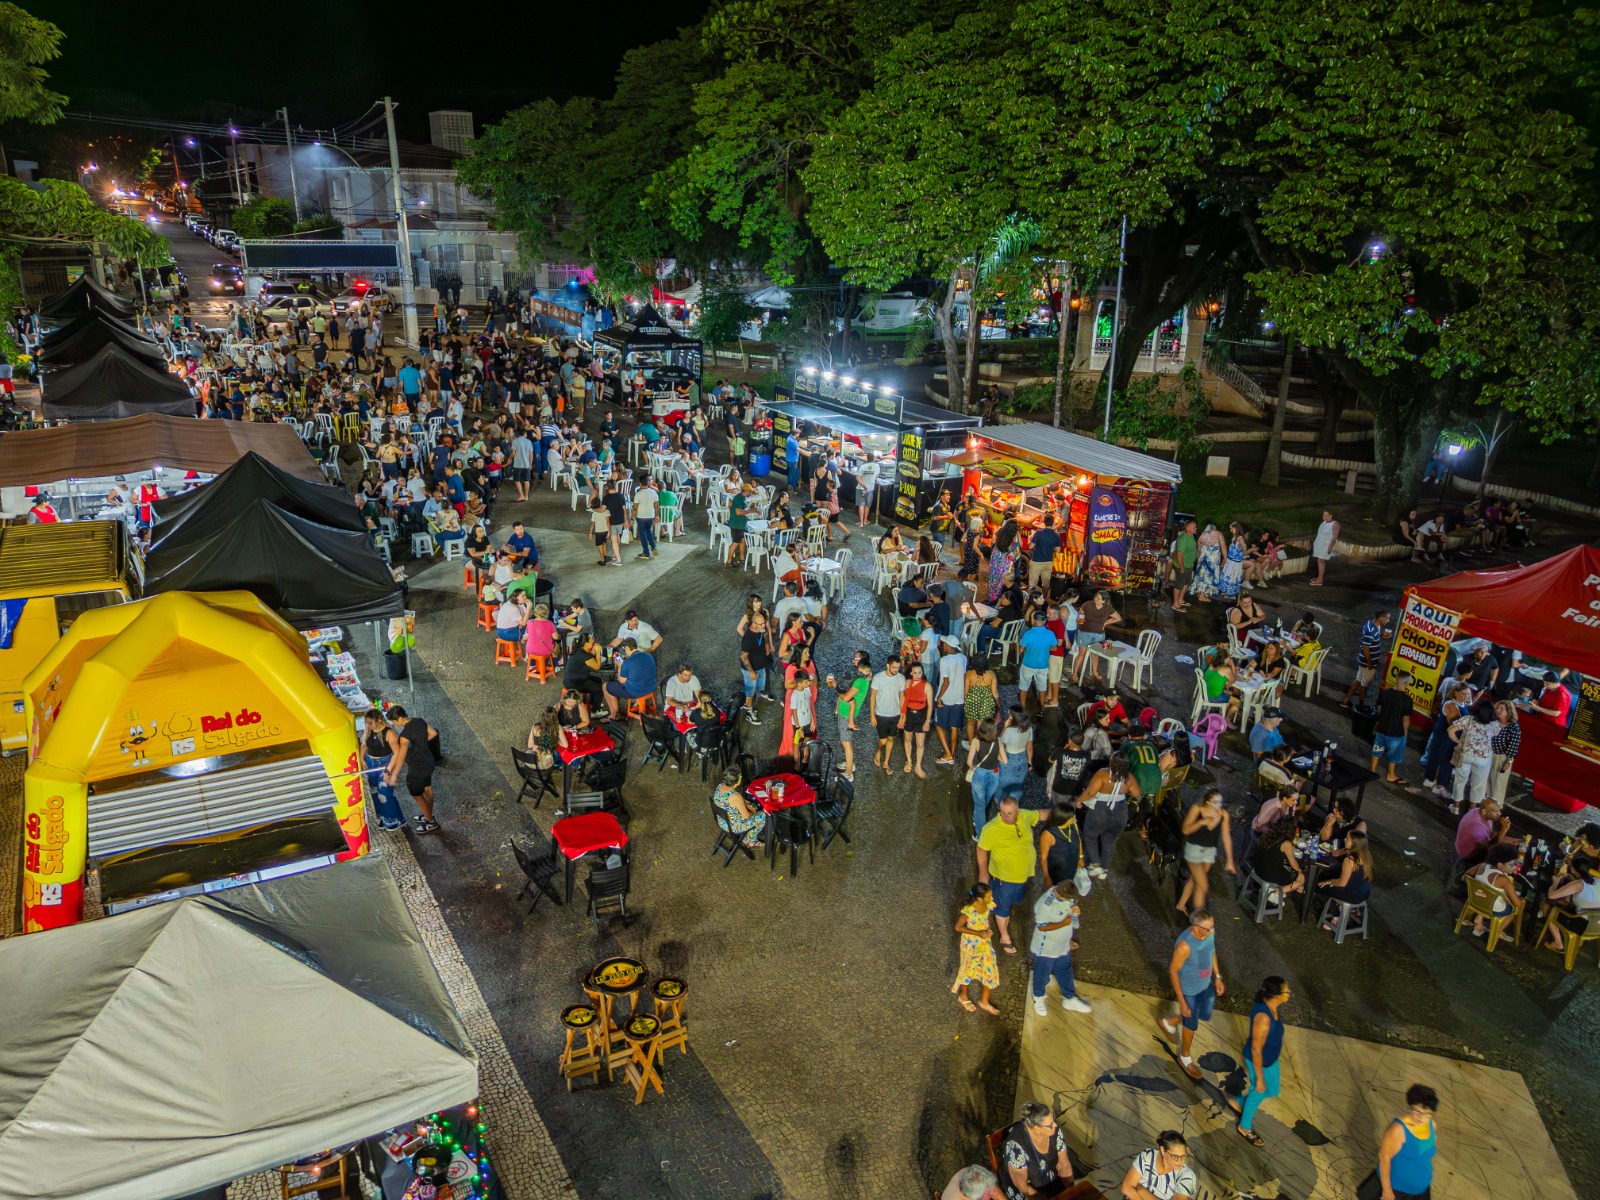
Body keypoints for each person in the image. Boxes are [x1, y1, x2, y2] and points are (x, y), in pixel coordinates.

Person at [1158, 911, 1224, 1081]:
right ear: (1196, 928)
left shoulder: (1209, 933)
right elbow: (1173, 970)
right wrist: (1182, 1001)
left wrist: (1218, 977)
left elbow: (1212, 951)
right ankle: (1185, 1057)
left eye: (1212, 927)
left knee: (1203, 1013)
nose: (1212, 931)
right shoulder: (1184, 946)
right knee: (1191, 1024)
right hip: (1189, 991)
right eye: (1209, 929)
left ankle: (1170, 1022)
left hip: (1205, 985)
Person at [1229, 977, 1291, 1149]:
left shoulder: (1271, 1006)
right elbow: (1256, 1049)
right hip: (1260, 1062)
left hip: (1270, 1058)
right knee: (1259, 1091)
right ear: (1276, 995)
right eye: (1285, 991)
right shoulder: (1263, 1018)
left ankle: (1239, 1103)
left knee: (1273, 1090)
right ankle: (1244, 1126)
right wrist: (1260, 1078)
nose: (1289, 993)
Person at [976, 795, 1038, 956]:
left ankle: (1005, 910)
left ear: (1017, 811)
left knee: (1015, 901)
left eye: (1009, 813)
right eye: (1003, 812)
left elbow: (1040, 814)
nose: (1005, 816)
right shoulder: (991, 829)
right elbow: (981, 850)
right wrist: (983, 874)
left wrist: (1060, 816)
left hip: (1023, 877)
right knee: (1002, 909)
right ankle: (1005, 937)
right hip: (1004, 879)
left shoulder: (1024, 815)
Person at [1030, 877, 1091, 1017]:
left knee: (1065, 969)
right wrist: (1064, 923)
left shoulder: (1066, 896)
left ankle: (1069, 998)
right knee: (1042, 973)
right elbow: (1041, 926)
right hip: (1047, 947)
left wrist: (1074, 914)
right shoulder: (1045, 905)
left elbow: (1070, 913)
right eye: (1070, 899)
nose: (1072, 900)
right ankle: (1038, 997)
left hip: (1062, 944)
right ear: (1061, 894)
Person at [1364, 1084, 1438, 1200]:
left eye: (1426, 1113)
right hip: (1398, 1190)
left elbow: (1427, 1156)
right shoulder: (1398, 1129)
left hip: (1421, 1189)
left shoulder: (1432, 1126)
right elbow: (1384, 1158)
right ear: (1410, 1106)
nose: (1420, 1117)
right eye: (1416, 1111)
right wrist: (1387, 1191)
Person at [1078, 757, 1139, 879]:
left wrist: (1079, 800)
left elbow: (1090, 792)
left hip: (1100, 811)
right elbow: (1136, 793)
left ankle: (1095, 865)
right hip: (1120, 812)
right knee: (1110, 840)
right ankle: (1104, 870)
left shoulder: (1102, 774)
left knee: (1090, 836)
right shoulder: (1129, 777)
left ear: (1111, 762)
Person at [1000, 1102, 1075, 1200]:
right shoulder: (1016, 1146)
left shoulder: (1054, 1131)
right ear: (1036, 1128)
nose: (1055, 1126)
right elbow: (1023, 1187)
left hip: (1050, 1181)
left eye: (1054, 1120)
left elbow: (1063, 1165)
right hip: (1026, 1190)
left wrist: (1072, 1191)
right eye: (1050, 1125)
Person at [1178, 787, 1236, 914]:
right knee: (1202, 887)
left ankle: (1181, 904)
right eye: (1216, 802)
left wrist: (1230, 861)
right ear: (1208, 802)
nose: (1219, 805)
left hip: (1209, 851)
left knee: (1195, 879)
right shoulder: (1197, 809)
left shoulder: (1223, 814)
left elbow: (1226, 837)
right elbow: (1185, 830)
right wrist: (1202, 822)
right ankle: (1200, 920)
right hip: (1194, 850)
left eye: (1221, 802)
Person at [383, 705, 440, 833]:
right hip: (428, 763)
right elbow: (433, 733)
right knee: (427, 789)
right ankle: (428, 815)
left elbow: (401, 758)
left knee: (417, 794)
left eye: (394, 721)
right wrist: (420, 744)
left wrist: (394, 775)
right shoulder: (420, 721)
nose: (394, 724)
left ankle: (431, 822)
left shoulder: (404, 736)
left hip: (417, 767)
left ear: (400, 718)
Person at [952, 882, 1001, 1015]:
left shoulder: (988, 905)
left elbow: (984, 921)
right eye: (988, 896)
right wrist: (978, 933)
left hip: (984, 943)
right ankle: (963, 996)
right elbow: (958, 927)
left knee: (989, 969)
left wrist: (987, 930)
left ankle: (984, 1001)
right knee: (968, 969)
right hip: (970, 944)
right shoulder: (969, 911)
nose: (991, 898)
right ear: (979, 898)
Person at [1539, 855, 1600, 954]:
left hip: (1583, 926)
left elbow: (1551, 895)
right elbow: (1584, 888)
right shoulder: (1598, 881)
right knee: (1566, 904)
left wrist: (1556, 881)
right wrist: (1572, 881)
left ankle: (1558, 943)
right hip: (1597, 926)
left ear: (1573, 869)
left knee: (1547, 906)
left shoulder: (1577, 884)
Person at [1464, 841, 1523, 938]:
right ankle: (1497, 932)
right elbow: (1517, 903)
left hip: (1475, 899)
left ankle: (1479, 919)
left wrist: (1479, 884)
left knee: (1488, 893)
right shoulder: (1504, 880)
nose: (1514, 867)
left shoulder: (1483, 865)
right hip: (1491, 908)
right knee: (1514, 910)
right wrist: (1511, 889)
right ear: (1500, 865)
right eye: (1511, 865)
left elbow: (1467, 874)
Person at [1448, 702, 1498, 812]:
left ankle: (1456, 806)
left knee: (1460, 780)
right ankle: (1472, 809)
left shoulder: (1468, 719)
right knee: (1478, 784)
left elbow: (1450, 730)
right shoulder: (1495, 724)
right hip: (1483, 758)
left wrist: (1457, 741)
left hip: (1466, 755)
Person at [363, 709, 407, 831]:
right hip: (371, 763)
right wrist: (362, 759)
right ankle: (383, 816)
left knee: (385, 792)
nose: (368, 725)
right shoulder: (368, 730)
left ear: (377, 721)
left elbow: (396, 753)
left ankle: (395, 818)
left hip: (384, 764)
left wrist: (388, 770)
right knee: (374, 791)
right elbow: (364, 744)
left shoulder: (389, 733)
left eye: (370, 723)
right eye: (367, 723)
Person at [1120, 1131, 1198, 1200]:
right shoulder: (1147, 1156)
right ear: (1163, 1150)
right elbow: (1126, 1188)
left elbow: (1129, 1186)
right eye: (1175, 1156)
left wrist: (1139, 1189)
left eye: (1183, 1156)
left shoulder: (1186, 1175)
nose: (1180, 1161)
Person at [1370, 670, 1415, 785]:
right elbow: (1406, 719)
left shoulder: (1385, 693)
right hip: (1395, 732)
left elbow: (1379, 708)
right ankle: (1391, 775)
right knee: (1393, 754)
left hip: (1381, 728)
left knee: (1377, 749)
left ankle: (1372, 769)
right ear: (1407, 683)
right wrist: (1405, 732)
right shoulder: (1407, 700)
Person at [1342, 610, 1393, 707]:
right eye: (1387, 618)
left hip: (1364, 661)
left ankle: (1346, 700)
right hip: (1367, 662)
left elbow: (1371, 640)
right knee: (1364, 684)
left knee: (1358, 680)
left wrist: (1381, 636)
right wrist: (1370, 663)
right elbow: (1365, 647)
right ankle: (1361, 705)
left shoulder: (1372, 624)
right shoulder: (1371, 630)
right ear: (1381, 618)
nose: (1388, 620)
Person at [832, 658, 872, 781]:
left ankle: (848, 773)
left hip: (845, 713)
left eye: (857, 660)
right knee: (848, 740)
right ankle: (850, 764)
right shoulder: (862, 678)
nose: (854, 662)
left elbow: (846, 697)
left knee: (846, 743)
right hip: (845, 712)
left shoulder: (860, 681)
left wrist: (835, 687)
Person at [712, 765, 765, 851]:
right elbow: (747, 816)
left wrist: (747, 804)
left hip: (722, 821)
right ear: (736, 782)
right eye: (740, 777)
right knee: (763, 815)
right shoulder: (735, 796)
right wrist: (753, 810)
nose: (741, 778)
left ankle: (746, 837)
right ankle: (750, 840)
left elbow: (736, 802)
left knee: (753, 806)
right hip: (733, 826)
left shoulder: (720, 786)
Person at [967, 719, 1004, 839]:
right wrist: (996, 755)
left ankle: (980, 836)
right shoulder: (998, 741)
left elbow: (969, 761)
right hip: (994, 774)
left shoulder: (976, 741)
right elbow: (1005, 760)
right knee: (986, 800)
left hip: (980, 774)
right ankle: (977, 817)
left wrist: (973, 767)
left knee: (980, 806)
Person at [604, 639, 657, 720]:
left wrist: (619, 666)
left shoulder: (627, 663)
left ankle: (614, 714)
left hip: (635, 692)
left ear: (627, 648)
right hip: (650, 687)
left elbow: (622, 681)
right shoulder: (648, 656)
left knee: (605, 686)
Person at [1016, 611, 1057, 713]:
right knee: (1042, 688)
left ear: (1033, 620)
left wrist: (1027, 649)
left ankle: (1023, 708)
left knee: (1023, 687)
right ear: (1044, 621)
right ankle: (1042, 707)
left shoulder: (1028, 634)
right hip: (1042, 665)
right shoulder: (1050, 633)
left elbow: (1021, 650)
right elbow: (1054, 648)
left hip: (1028, 664)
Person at [898, 661, 932, 777]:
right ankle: (909, 761)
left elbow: (930, 705)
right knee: (907, 739)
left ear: (922, 673)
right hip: (909, 714)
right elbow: (903, 700)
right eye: (915, 673)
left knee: (920, 744)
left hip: (921, 716)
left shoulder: (927, 685)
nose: (917, 675)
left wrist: (927, 720)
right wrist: (902, 716)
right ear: (911, 673)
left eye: (919, 673)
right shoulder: (907, 683)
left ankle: (918, 765)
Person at [964, 654, 999, 743]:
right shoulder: (991, 674)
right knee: (981, 723)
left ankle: (971, 743)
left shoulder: (968, 674)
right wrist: (998, 702)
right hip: (986, 701)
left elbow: (965, 692)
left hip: (971, 700)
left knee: (970, 723)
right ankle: (979, 743)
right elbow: (994, 692)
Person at [1169, 519, 1197, 613]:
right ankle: (1175, 604)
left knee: (1186, 582)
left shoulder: (1191, 535)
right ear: (1188, 528)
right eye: (1194, 527)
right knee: (1179, 585)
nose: (1196, 528)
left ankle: (1180, 600)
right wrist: (1181, 568)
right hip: (1182, 566)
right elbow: (1179, 554)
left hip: (1189, 565)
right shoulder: (1183, 538)